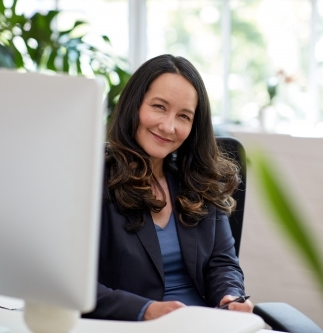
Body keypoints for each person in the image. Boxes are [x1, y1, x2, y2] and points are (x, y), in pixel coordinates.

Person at [82, 54, 253, 321]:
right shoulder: (92, 180)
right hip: (130, 324)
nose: (168, 126)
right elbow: (74, 285)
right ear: (135, 104)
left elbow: (222, 263)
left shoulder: (199, 181)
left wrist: (229, 296)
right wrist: (146, 310)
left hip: (203, 323)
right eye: (159, 107)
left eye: (183, 116)